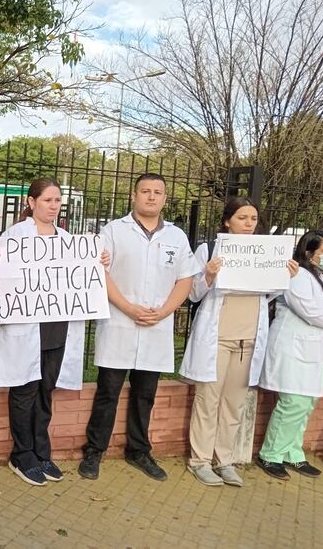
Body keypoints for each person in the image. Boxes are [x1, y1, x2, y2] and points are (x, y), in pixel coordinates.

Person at [78, 172, 201, 481]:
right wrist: (128, 307)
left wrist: (164, 312)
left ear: (164, 198)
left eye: (157, 192)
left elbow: (186, 279)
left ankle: (139, 451)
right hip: (120, 320)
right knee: (108, 391)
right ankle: (94, 452)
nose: (151, 196)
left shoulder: (176, 237)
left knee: (145, 394)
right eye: (145, 191)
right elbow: (100, 273)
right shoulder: (113, 231)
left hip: (156, 325)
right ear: (134, 195)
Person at [0, 178, 109, 486]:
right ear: (31, 202)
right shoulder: (15, 237)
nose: (53, 206)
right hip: (27, 327)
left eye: (57, 201)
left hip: (57, 328)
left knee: (45, 391)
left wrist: (98, 262)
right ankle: (22, 454)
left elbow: (82, 277)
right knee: (24, 390)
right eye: (47, 200)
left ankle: (42, 452)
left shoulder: (68, 239)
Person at [180, 197, 298, 486]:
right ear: (227, 221)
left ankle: (225, 460)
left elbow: (267, 295)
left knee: (234, 404)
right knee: (208, 401)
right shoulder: (209, 250)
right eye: (242, 218)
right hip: (216, 339)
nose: (248, 224)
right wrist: (208, 274)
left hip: (248, 339)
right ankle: (200, 460)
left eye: (253, 219)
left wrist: (285, 277)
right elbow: (193, 294)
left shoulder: (264, 254)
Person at [256, 230, 323, 480]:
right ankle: (270, 454)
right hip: (293, 349)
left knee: (306, 405)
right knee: (292, 404)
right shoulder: (297, 275)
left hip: (316, 352)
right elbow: (311, 311)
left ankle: (292, 453)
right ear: (309, 252)